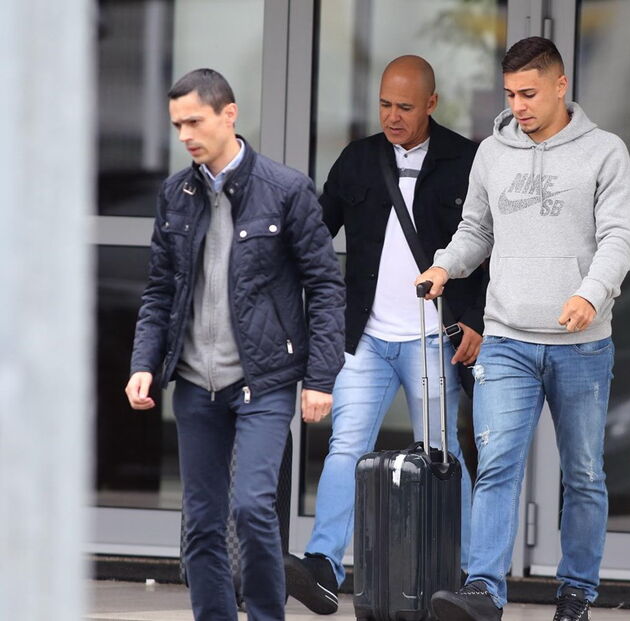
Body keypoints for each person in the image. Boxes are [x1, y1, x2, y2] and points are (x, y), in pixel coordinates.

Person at [419, 37, 630, 621]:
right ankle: (485, 590)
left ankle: (576, 592)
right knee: (495, 468)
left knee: (585, 474)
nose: (517, 104)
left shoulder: (605, 152)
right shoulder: (493, 152)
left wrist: (590, 295)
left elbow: (619, 237)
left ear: (561, 86)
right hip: (508, 340)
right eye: (511, 93)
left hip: (582, 347)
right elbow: (477, 230)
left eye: (530, 93)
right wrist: (446, 263)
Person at [124, 68, 345, 621]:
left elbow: (324, 285)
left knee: (251, 508)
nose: (185, 135)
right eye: (177, 125)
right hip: (197, 383)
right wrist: (144, 363)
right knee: (201, 520)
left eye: (194, 121)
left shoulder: (286, 190)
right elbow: (159, 289)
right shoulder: (177, 193)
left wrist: (320, 378)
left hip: (264, 381)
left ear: (229, 114)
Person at [283, 55, 486, 615]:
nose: (392, 117)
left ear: (431, 104)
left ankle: (467, 578)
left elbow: (488, 248)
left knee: (443, 456)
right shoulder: (359, 159)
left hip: (433, 339)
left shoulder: (467, 161)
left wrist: (475, 317)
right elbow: (315, 231)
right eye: (384, 105)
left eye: (404, 107)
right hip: (366, 339)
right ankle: (324, 566)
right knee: (346, 448)